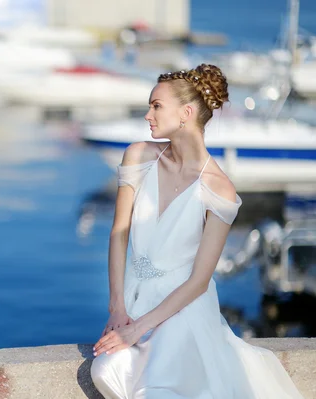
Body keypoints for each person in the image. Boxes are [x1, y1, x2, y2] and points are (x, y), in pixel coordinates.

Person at [89, 64, 304, 398]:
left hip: (183, 306)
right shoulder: (137, 156)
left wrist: (137, 330)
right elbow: (119, 232)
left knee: (155, 385)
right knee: (105, 368)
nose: (148, 115)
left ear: (186, 113)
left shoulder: (219, 189)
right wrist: (117, 307)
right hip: (133, 296)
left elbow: (199, 281)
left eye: (156, 106)